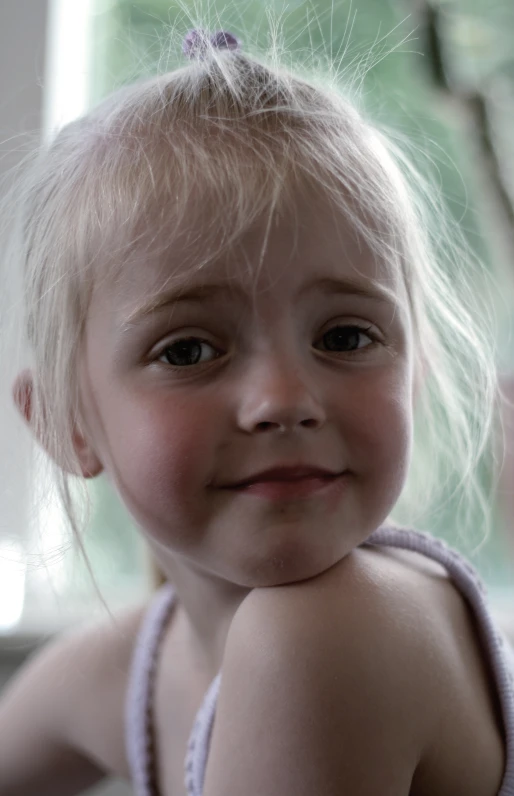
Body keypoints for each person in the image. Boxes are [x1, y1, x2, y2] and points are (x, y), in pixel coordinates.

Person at [0, 26, 513, 796]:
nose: (282, 400)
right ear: (68, 422)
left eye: (345, 336)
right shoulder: (131, 666)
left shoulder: (327, 634)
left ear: (414, 376)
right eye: (187, 351)